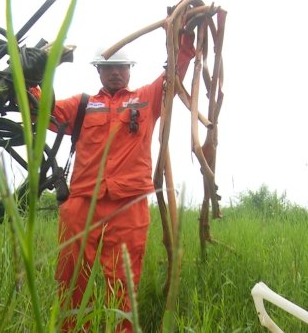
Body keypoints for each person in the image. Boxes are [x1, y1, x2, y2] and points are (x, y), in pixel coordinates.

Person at [44, 30, 195, 331]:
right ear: (98, 71)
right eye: (108, 67)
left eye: (120, 67)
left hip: (129, 205)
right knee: (71, 279)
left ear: (129, 70)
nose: (115, 72)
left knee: (123, 283)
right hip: (82, 203)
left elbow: (173, 78)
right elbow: (42, 111)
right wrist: (37, 72)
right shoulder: (82, 105)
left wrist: (185, 40)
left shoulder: (145, 100)